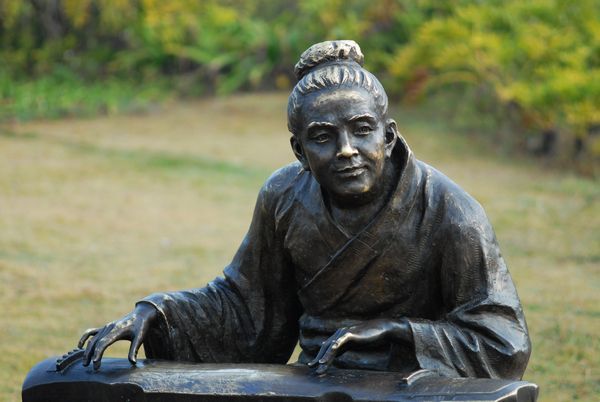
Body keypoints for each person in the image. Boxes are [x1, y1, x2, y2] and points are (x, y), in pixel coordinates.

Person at [78, 40, 531, 379]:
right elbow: (246, 306)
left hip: (412, 386)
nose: (346, 150)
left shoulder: (452, 213)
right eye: (323, 137)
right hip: (314, 380)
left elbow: (504, 342)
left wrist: (399, 333)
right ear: (299, 151)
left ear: (389, 136)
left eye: (362, 130)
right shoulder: (284, 197)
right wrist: (160, 313)